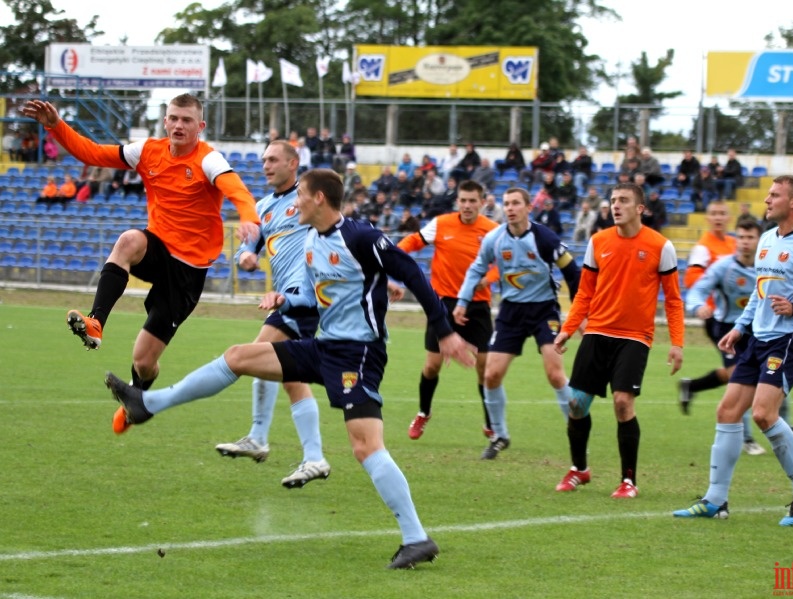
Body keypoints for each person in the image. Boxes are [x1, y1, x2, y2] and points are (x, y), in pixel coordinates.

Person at [105, 168, 476, 569]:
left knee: (365, 446)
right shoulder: (313, 243)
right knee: (238, 356)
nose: (292, 202)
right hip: (323, 346)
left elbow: (412, 273)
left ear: (319, 198)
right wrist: (286, 300)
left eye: (299, 194)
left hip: (358, 355)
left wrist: (444, 332)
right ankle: (148, 403)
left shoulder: (361, 237)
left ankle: (416, 538)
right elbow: (318, 301)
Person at [22, 95, 260, 393]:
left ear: (200, 126)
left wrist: (248, 216)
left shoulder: (208, 159)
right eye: (173, 118)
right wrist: (56, 126)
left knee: (143, 361)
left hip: (187, 271)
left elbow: (236, 189)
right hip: (158, 249)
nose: (178, 125)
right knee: (129, 240)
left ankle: (137, 396)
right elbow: (93, 153)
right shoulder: (148, 150)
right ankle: (96, 323)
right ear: (165, 121)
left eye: (186, 120)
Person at [673, 175, 793, 526]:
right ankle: (715, 500)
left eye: (774, 195)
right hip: (758, 338)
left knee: (764, 414)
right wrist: (740, 328)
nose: (766, 200)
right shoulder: (767, 239)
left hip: (789, 340)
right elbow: (760, 291)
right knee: (727, 411)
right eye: (767, 194)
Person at [552, 182, 683, 497]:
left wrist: (677, 342)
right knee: (576, 404)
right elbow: (584, 293)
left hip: (635, 338)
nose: (616, 205)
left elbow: (674, 300)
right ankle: (579, 469)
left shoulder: (661, 246)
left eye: (623, 200)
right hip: (596, 332)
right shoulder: (598, 242)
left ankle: (628, 481)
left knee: (623, 403)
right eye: (613, 200)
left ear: (640, 208)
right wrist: (568, 329)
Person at [211, 140, 329, 488]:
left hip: (303, 300)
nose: (266, 165)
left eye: (273, 159)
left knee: (259, 354)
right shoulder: (261, 207)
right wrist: (245, 257)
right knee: (291, 378)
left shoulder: (310, 200)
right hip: (286, 300)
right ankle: (312, 457)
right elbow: (248, 245)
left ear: (293, 164)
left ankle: (260, 437)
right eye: (263, 160)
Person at [453, 187, 581, 460]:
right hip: (511, 313)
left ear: (527, 208)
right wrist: (462, 301)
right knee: (491, 375)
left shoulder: (545, 238)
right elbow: (477, 268)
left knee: (555, 374)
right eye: (506, 203)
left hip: (544, 310)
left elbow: (573, 273)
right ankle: (500, 435)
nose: (510, 208)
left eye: (515, 203)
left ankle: (578, 431)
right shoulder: (494, 239)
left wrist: (580, 315)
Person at [398, 180, 499, 440]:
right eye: (463, 200)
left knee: (485, 368)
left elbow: (507, 263)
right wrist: (394, 255)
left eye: (472, 201)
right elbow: (414, 240)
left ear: (482, 202)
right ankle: (423, 413)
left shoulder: (493, 231)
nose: (467, 205)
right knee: (432, 366)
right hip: (442, 303)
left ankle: (491, 422)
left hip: (477, 305)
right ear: (457, 202)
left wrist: (487, 279)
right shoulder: (441, 223)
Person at [679, 217, 781, 456]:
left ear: (760, 240)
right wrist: (698, 307)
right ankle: (746, 438)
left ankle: (785, 430)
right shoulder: (723, 267)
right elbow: (696, 292)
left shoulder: (767, 267)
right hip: (727, 330)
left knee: (771, 377)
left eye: (750, 237)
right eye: (741, 237)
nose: (745, 242)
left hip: (759, 330)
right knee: (742, 380)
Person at [683, 201, 736, 348]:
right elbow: (691, 279)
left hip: (736, 313)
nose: (718, 218)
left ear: (729, 218)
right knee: (739, 367)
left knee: (741, 367)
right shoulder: (703, 247)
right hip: (716, 314)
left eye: (722, 214)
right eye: (714, 214)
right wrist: (704, 303)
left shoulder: (734, 243)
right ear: (707, 219)